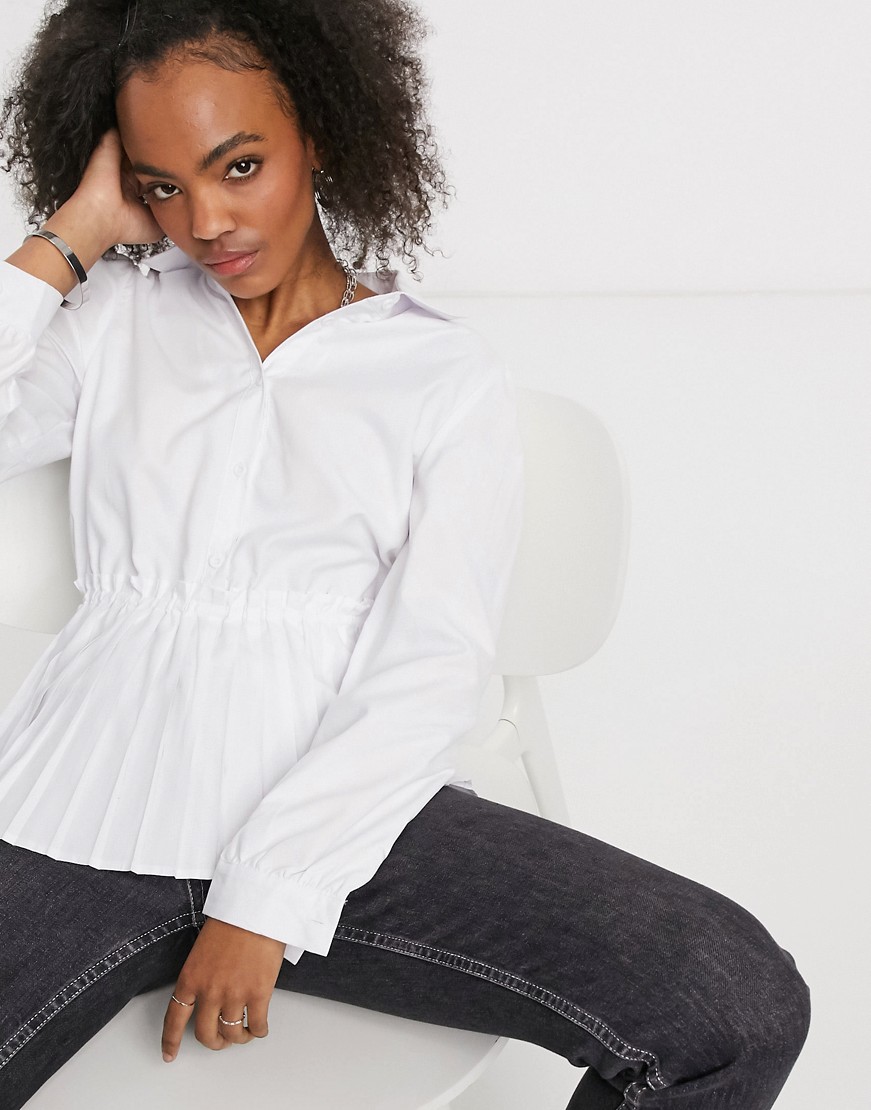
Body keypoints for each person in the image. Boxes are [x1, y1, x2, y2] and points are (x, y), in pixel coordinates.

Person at [0, 2, 811, 1107]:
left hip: (353, 833)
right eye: (162, 186)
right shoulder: (113, 322)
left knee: (733, 1002)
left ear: (321, 132)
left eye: (239, 165)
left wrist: (265, 899)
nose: (207, 220)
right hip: (77, 817)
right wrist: (75, 233)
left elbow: (428, 660)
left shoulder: (437, 376)